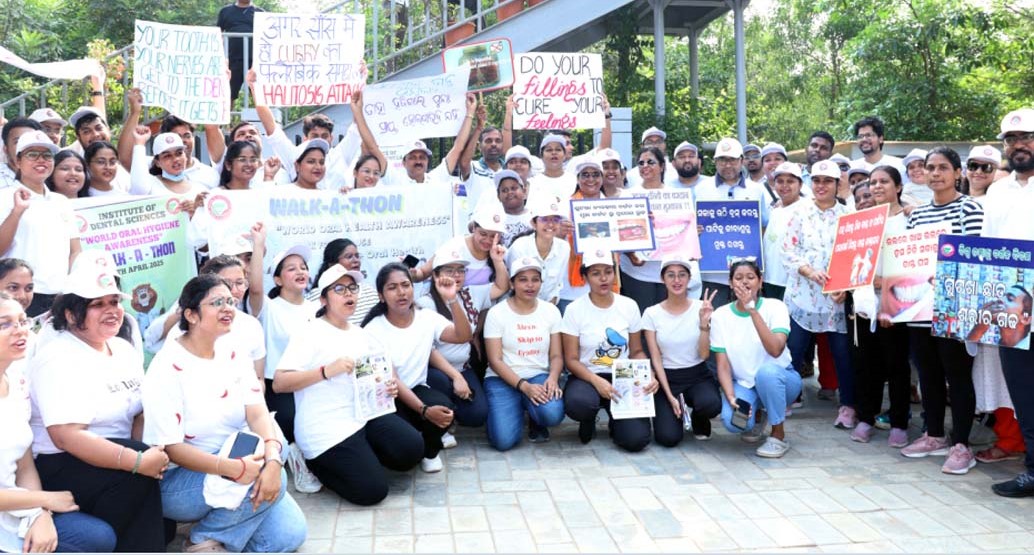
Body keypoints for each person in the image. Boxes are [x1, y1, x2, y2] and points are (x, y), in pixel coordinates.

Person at [142, 275, 305, 553]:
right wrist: (231, 469)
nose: (228, 308)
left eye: (230, 301)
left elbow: (257, 414)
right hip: (182, 481)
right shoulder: (166, 366)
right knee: (271, 478)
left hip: (237, 460)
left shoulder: (234, 350)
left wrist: (272, 459)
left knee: (288, 536)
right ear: (191, 315)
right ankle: (203, 539)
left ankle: (222, 528)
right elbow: (171, 448)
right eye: (217, 302)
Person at [29, 253, 167, 552]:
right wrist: (138, 461)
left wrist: (149, 453)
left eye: (115, 302)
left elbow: (139, 413)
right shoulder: (58, 357)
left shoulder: (122, 349)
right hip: (62, 463)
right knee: (138, 477)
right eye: (98, 304)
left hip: (113, 456)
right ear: (70, 314)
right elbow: (66, 437)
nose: (112, 311)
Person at [274, 264, 423, 505]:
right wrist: (325, 371)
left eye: (352, 288)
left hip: (362, 416)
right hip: (325, 428)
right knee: (372, 492)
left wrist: (386, 389)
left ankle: (361, 458)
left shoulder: (360, 334)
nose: (348, 294)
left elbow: (371, 377)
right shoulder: (310, 332)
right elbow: (280, 383)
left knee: (411, 449)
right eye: (339, 289)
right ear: (324, 300)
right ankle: (310, 463)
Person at [0, 291, 117, 553]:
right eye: (4, 324)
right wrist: (44, 500)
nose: (19, 330)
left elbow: (24, 464)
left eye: (22, 321)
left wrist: (40, 513)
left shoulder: (16, 382)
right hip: (15, 504)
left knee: (97, 537)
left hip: (17, 507)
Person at [899, 147, 983, 474]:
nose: (935, 173)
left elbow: (975, 257)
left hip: (955, 309)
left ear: (958, 173)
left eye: (943, 167)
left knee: (957, 377)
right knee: (928, 374)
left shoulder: (970, 208)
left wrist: (946, 272)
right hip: (920, 307)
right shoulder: (918, 215)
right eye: (930, 167)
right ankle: (934, 435)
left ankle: (962, 444)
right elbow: (909, 258)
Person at [361, 263, 471, 473]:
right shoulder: (373, 330)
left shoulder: (426, 317)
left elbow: (463, 336)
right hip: (388, 398)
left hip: (415, 389)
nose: (401, 292)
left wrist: (452, 300)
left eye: (405, 285)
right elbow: (392, 379)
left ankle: (430, 451)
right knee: (406, 453)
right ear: (381, 296)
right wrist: (424, 410)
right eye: (392, 287)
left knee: (445, 409)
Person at [981, 108, 1034, 496]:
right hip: (1013, 313)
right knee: (1025, 394)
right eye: (1012, 140)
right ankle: (1033, 470)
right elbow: (986, 251)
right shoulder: (997, 191)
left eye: (1027, 137)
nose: (1019, 145)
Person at [246, 225, 322, 493]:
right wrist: (258, 245)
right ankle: (295, 458)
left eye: (303, 267)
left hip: (313, 380)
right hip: (279, 386)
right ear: (277, 279)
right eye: (291, 268)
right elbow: (255, 289)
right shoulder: (268, 308)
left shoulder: (317, 308)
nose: (300, 271)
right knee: (290, 421)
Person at [782, 159, 856, 429]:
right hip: (802, 294)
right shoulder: (798, 212)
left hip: (837, 298)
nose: (821, 186)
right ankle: (785, 399)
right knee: (792, 350)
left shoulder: (849, 215)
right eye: (816, 181)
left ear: (837, 184)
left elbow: (857, 253)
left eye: (827, 181)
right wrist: (809, 271)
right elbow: (787, 250)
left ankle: (848, 405)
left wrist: (846, 287)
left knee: (842, 355)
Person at [561, 249, 653, 452]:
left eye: (608, 272)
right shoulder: (574, 310)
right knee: (579, 404)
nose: (603, 278)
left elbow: (636, 351)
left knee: (636, 440)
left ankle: (616, 419)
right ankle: (588, 417)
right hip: (587, 376)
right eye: (595, 273)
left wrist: (648, 373)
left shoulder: (629, 305)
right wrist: (596, 381)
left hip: (623, 376)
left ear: (615, 273)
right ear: (585, 277)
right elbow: (571, 359)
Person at [712, 259, 800, 458]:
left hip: (781, 380)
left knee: (766, 373)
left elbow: (775, 350)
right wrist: (731, 396)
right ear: (730, 283)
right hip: (745, 383)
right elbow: (722, 365)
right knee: (733, 423)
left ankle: (778, 434)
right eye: (738, 278)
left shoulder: (775, 307)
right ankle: (759, 415)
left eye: (750, 277)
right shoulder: (720, 315)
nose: (744, 282)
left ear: (760, 282)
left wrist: (752, 310)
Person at [850, 166, 911, 448]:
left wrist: (887, 288)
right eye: (873, 182)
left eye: (884, 181)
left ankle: (899, 423)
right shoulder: (863, 221)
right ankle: (865, 417)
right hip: (865, 303)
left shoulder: (910, 218)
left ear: (898, 187)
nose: (876, 187)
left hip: (899, 301)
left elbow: (916, 263)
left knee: (896, 365)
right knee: (866, 363)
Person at [483, 257, 565, 450]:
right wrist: (524, 387)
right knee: (503, 442)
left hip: (538, 375)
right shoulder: (497, 313)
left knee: (552, 414)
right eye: (523, 280)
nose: (530, 285)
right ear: (512, 283)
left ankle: (533, 414)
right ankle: (514, 408)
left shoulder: (551, 311)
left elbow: (556, 355)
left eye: (535, 279)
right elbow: (495, 360)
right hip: (502, 378)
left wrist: (553, 378)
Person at [143, 255, 264, 385]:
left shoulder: (251, 326)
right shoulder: (183, 333)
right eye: (227, 284)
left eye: (240, 283)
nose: (233, 290)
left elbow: (258, 380)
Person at [0, 130, 81, 317]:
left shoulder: (61, 202)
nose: (41, 160)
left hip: (60, 296)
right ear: (18, 161)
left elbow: (75, 250)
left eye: (47, 155)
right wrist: (17, 212)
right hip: (19, 296)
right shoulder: (4, 197)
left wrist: (69, 287)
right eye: (32, 155)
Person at [415, 245, 490, 445]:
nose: (456, 275)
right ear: (435, 274)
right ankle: (440, 423)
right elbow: (428, 350)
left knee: (477, 415)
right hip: (436, 372)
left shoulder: (467, 295)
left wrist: (498, 260)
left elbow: (501, 286)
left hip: (463, 367)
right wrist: (456, 377)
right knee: (439, 380)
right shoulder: (425, 303)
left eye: (460, 270)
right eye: (449, 270)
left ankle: (452, 412)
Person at [644, 256, 721, 446]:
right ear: (662, 279)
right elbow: (656, 358)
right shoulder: (651, 313)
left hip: (697, 374)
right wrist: (669, 396)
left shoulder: (701, 308)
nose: (677, 280)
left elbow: (704, 355)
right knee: (668, 438)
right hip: (667, 378)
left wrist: (704, 325)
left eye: (682, 275)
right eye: (671, 275)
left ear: (689, 278)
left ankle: (698, 417)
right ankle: (674, 406)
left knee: (711, 404)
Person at [559, 156, 621, 313]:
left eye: (595, 174)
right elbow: (551, 243)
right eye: (585, 175)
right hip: (573, 287)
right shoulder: (564, 206)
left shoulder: (615, 207)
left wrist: (643, 222)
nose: (591, 179)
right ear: (578, 179)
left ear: (602, 177)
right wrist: (559, 233)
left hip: (605, 280)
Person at [506, 194, 571, 305]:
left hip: (547, 307)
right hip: (517, 305)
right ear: (534, 223)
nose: (551, 224)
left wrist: (547, 310)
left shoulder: (564, 248)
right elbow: (511, 284)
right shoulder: (519, 247)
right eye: (544, 219)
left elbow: (557, 286)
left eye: (556, 219)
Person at [128, 129, 207, 216]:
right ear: (157, 162)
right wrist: (139, 144)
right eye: (167, 156)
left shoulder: (200, 189)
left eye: (179, 153)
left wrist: (196, 210)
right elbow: (138, 189)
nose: (175, 159)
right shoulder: (150, 185)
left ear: (185, 156)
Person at [309, 239, 379, 325]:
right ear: (332, 264)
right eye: (349, 257)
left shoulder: (371, 293)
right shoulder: (317, 295)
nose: (356, 260)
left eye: (357, 256)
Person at [762, 162, 804, 300]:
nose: (784, 186)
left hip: (793, 281)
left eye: (790, 181)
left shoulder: (807, 209)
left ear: (800, 184)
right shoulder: (775, 211)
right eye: (780, 181)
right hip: (769, 279)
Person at [217, 0, 264, 105]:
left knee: (260, 95)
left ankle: (263, 116)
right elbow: (218, 34)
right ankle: (226, 116)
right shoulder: (225, 11)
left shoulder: (260, 13)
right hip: (232, 59)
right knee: (228, 94)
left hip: (255, 62)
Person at [492, 170, 533, 247]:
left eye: (514, 188)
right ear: (498, 197)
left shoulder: (535, 216)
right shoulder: (494, 220)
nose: (510, 192)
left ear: (524, 192)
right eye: (504, 190)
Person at [1, 118, 43, 190]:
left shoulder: (47, 176)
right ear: (6, 149)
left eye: (32, 141)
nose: (25, 146)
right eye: (18, 141)